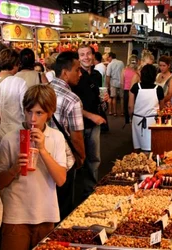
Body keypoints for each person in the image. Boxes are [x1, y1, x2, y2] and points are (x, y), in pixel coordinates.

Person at [0, 85, 67, 250]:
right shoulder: (9, 139)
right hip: (15, 215)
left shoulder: (56, 137)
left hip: (46, 213)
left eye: (39, 113)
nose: (32, 119)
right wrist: (14, 169)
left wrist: (42, 149)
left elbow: (61, 179)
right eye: (29, 111)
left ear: (50, 113)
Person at [48, 51, 85, 219]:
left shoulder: (42, 91)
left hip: (43, 156)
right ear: (64, 72)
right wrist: (81, 157)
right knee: (63, 205)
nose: (80, 74)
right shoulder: (73, 99)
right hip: (63, 159)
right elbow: (76, 136)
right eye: (77, 70)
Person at [73, 45, 106, 200]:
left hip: (94, 125)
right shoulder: (75, 77)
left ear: (93, 56)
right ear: (78, 58)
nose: (86, 57)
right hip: (77, 125)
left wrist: (104, 100)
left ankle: (90, 190)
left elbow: (98, 97)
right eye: (82, 55)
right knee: (77, 159)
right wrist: (91, 116)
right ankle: (74, 194)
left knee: (94, 158)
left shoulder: (98, 75)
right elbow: (74, 105)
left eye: (88, 54)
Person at [0, 49, 28, 167]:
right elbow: (25, 109)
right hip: (14, 135)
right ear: (16, 64)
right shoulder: (19, 82)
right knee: (14, 170)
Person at [129, 64, 164, 152]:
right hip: (152, 121)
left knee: (137, 146)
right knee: (151, 145)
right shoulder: (159, 89)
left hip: (137, 119)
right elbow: (161, 107)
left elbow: (130, 106)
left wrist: (131, 117)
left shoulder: (135, 87)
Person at [105, 52, 125, 116]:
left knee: (114, 98)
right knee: (122, 98)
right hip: (121, 82)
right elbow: (124, 72)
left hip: (113, 83)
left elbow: (108, 76)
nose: (108, 59)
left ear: (111, 57)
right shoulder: (121, 62)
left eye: (108, 57)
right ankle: (122, 112)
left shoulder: (110, 64)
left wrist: (108, 85)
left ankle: (115, 112)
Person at [121, 55, 138, 124]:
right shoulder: (138, 71)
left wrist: (123, 89)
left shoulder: (124, 70)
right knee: (134, 105)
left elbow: (122, 82)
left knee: (126, 105)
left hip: (126, 90)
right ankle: (133, 119)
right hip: (135, 90)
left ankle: (127, 120)